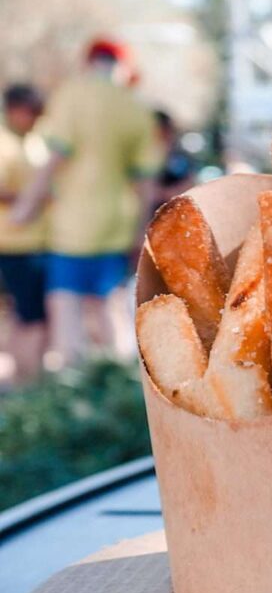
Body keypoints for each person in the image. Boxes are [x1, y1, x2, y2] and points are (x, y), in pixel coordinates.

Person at [13, 39, 160, 365]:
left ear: (90, 62)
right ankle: (120, 389)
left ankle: (71, 389)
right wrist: (141, 231)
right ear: (122, 67)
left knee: (66, 314)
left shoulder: (72, 94)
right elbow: (146, 181)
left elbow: (53, 160)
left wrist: (25, 208)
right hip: (115, 226)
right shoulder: (135, 106)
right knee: (110, 310)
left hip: (71, 227)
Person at [0, 85, 51, 383]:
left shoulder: (37, 139)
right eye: (30, 110)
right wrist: (31, 198)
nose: (34, 117)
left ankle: (27, 373)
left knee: (32, 315)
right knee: (31, 316)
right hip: (15, 245)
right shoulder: (4, 143)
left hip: (40, 241)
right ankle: (25, 377)